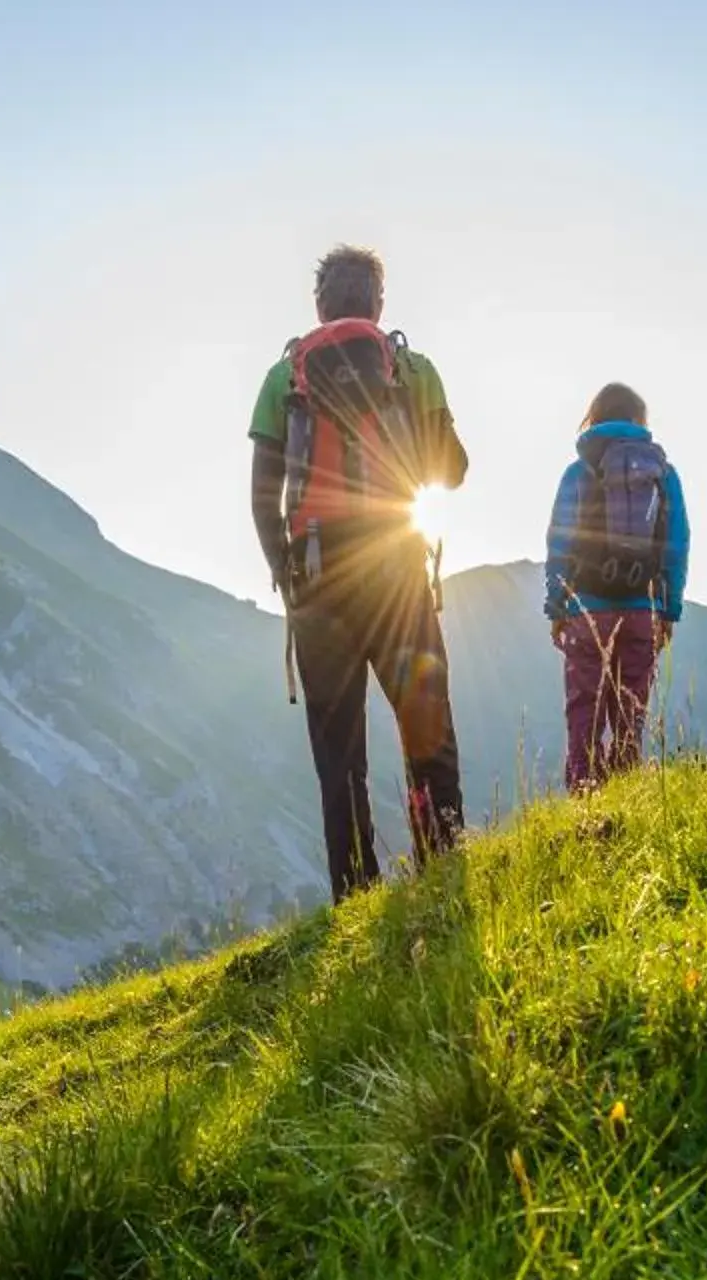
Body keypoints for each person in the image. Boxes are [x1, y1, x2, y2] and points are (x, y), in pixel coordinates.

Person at [250, 245, 471, 901]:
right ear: (378, 303)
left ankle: (355, 893)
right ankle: (442, 869)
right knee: (426, 726)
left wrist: (285, 578)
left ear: (319, 306)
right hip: (396, 566)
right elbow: (451, 470)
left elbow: (263, 494)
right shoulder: (412, 368)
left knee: (339, 752)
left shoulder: (283, 379)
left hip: (319, 579)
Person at [544, 383, 689, 791]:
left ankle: (584, 809)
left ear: (594, 417)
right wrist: (668, 609)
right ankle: (626, 807)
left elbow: (559, 541)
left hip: (585, 611)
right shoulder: (662, 473)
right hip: (642, 609)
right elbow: (677, 544)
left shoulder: (578, 472)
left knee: (583, 716)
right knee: (630, 717)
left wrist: (556, 607)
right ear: (640, 421)